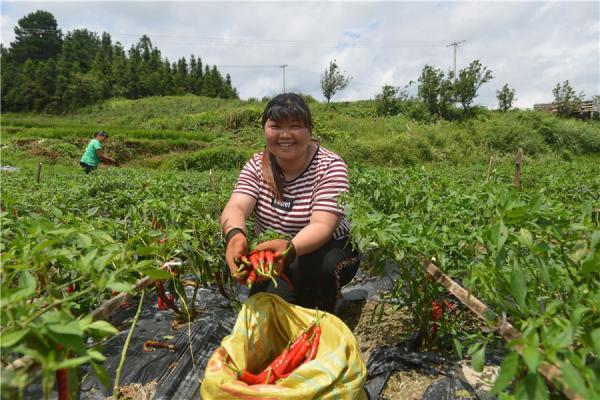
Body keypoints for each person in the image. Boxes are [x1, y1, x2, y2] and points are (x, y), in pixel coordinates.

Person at [220, 93, 360, 313]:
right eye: (275, 126)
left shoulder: (330, 166)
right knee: (267, 307)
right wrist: (235, 236)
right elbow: (236, 206)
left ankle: (326, 310)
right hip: (275, 254)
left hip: (325, 248)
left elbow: (322, 225)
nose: (285, 135)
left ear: (310, 130)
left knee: (320, 269)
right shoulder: (257, 165)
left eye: (295, 126)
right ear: (264, 129)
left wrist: (289, 250)